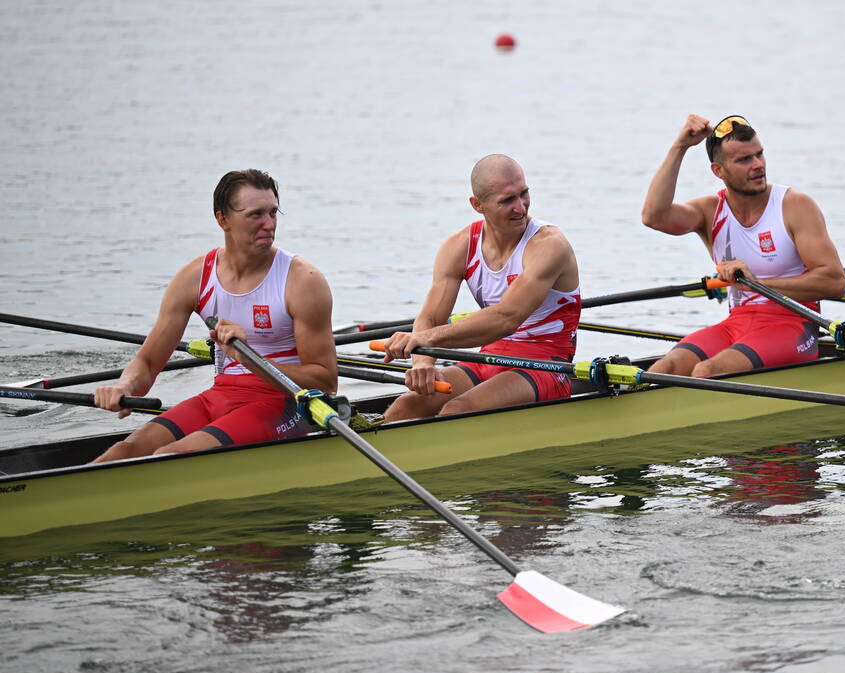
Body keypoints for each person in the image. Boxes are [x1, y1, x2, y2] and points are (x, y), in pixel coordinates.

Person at [92, 169, 337, 462]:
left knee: (168, 456)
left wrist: (249, 359)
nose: (269, 224)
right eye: (255, 214)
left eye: (273, 213)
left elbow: (325, 382)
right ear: (223, 220)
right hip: (219, 396)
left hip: (283, 404)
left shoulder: (302, 281)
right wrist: (124, 386)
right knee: (125, 452)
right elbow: (147, 362)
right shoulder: (193, 278)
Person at [640, 114, 845, 377]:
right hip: (736, 323)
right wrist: (679, 147)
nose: (758, 165)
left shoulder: (794, 206)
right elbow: (653, 217)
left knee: (706, 371)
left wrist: (755, 282)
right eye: (744, 160)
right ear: (719, 171)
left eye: (759, 155)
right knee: (662, 370)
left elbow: (835, 282)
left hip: (793, 325)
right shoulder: (709, 211)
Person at [381, 154, 581, 421]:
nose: (521, 207)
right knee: (405, 407)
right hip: (490, 359)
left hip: (545, 366)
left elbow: (506, 318)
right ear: (477, 205)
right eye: (507, 200)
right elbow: (430, 317)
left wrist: (424, 339)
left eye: (524, 194)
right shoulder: (459, 246)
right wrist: (423, 362)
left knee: (457, 411)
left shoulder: (548, 245)